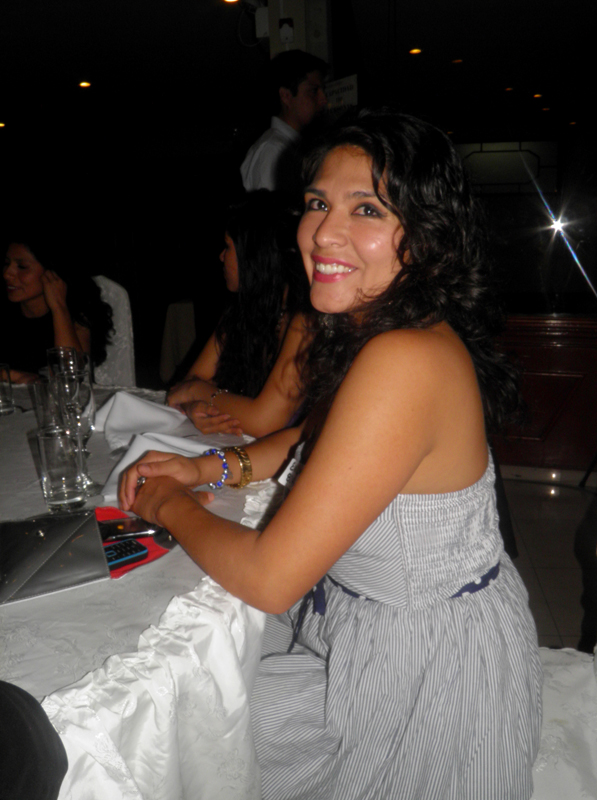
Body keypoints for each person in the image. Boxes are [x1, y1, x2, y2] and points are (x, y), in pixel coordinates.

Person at [120, 109, 542, 799]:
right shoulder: (379, 327)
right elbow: (315, 436)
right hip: (366, 630)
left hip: (424, 674)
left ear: (428, 236)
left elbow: (270, 578)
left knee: (193, 728)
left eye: (366, 209)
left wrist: (167, 503)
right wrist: (207, 467)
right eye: (317, 203)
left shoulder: (404, 358)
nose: (323, 232)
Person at [167, 191, 311, 438]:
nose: (221, 256)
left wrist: (198, 393)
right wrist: (194, 407)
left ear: (254, 256)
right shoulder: (245, 310)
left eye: (228, 246)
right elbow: (187, 382)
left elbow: (264, 421)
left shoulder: (306, 320)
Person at [1, 234, 113, 383]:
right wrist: (14, 376)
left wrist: (59, 308)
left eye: (22, 267)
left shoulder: (77, 312)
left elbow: (72, 375)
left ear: (52, 271)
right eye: (6, 263)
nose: (7, 274)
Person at [240, 50, 328, 195]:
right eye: (313, 91)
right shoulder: (273, 150)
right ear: (286, 96)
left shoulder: (293, 148)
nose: (323, 99)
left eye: (323, 90)